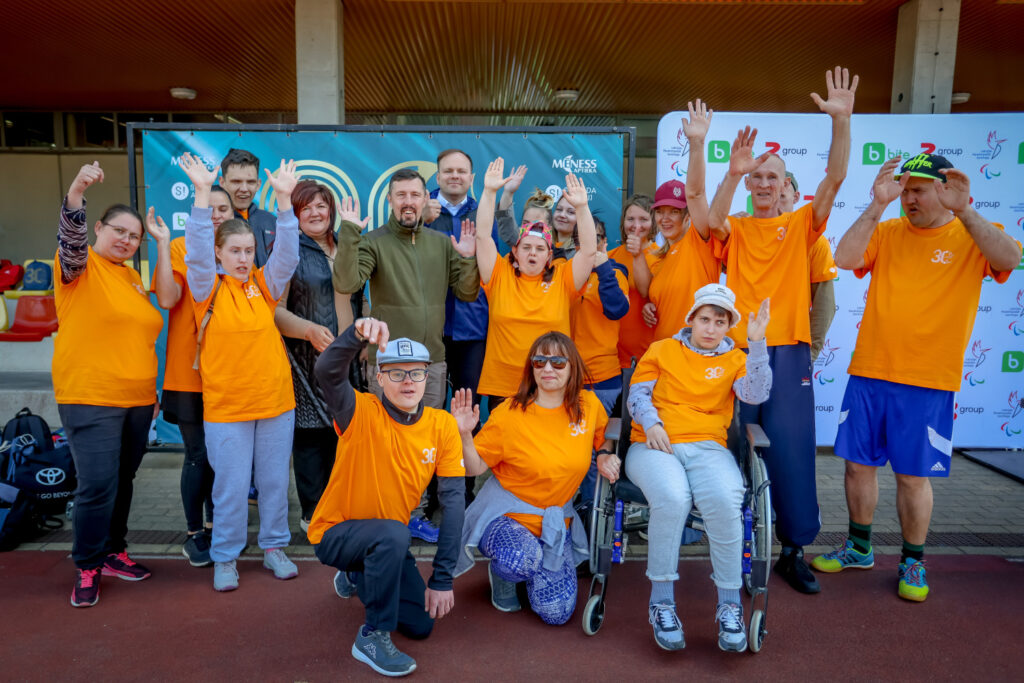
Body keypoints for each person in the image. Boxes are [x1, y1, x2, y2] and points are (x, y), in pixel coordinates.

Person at [812, 153, 1021, 601]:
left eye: (919, 190)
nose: (909, 198)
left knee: (911, 476)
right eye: (905, 190)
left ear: (945, 191)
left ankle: (913, 561)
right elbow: (845, 257)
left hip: (927, 381)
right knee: (857, 467)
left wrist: (966, 212)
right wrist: (877, 204)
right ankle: (859, 547)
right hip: (869, 371)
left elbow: (1010, 257)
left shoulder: (971, 234)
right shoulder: (887, 230)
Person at [707, 67, 858, 594]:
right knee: (735, 451)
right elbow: (711, 221)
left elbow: (834, 180)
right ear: (749, 183)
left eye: (773, 177)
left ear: (785, 184)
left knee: (791, 454)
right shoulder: (737, 227)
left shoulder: (802, 226)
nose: (765, 184)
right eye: (758, 177)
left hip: (788, 352)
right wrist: (733, 172)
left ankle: (793, 551)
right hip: (738, 350)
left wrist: (841, 122)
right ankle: (738, 547)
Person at [309, 318, 465, 678]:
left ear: (428, 377)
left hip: (384, 540)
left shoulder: (442, 426)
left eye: (416, 372)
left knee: (420, 624)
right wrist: (356, 334)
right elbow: (327, 370)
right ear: (379, 378)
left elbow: (454, 504)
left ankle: (357, 573)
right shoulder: (359, 411)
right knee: (395, 534)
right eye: (396, 373)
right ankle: (372, 636)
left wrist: (442, 578)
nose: (408, 381)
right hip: (335, 533)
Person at [332, 167, 479, 543]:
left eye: (415, 195)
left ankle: (416, 511)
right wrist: (348, 232)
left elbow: (466, 292)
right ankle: (394, 515)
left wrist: (466, 257)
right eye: (401, 195)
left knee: (425, 443)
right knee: (388, 444)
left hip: (432, 363)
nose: (408, 202)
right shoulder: (373, 241)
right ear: (390, 200)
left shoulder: (441, 243)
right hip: (389, 365)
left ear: (426, 199)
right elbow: (346, 282)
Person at [179, 152, 301, 592]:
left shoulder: (263, 286)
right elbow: (195, 251)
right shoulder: (206, 287)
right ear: (218, 252)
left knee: (273, 483)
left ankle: (274, 547)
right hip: (227, 407)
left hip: (275, 403)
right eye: (235, 251)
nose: (243, 258)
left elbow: (286, 257)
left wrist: (284, 202)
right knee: (230, 488)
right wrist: (200, 193)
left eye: (249, 251)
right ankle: (226, 557)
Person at [625, 284, 770, 651]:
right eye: (705, 319)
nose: (710, 328)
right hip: (654, 443)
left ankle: (730, 606)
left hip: (708, 447)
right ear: (691, 318)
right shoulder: (662, 349)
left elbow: (756, 394)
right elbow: (638, 395)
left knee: (725, 499)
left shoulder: (735, 359)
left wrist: (756, 346)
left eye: (720, 322)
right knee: (673, 498)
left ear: (728, 326)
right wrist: (652, 423)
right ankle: (661, 602)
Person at [55, 161, 174, 607]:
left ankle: (112, 551)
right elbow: (70, 240)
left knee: (123, 481)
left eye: (134, 236)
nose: (125, 240)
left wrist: (152, 396)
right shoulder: (79, 268)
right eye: (118, 231)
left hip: (138, 401)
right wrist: (77, 193)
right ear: (99, 229)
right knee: (97, 485)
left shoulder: (132, 278)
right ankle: (87, 564)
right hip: (91, 397)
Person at [453, 332, 614, 625]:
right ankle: (504, 576)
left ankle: (536, 567)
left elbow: (605, 435)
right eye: (539, 361)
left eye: (558, 362)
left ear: (572, 367)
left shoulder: (588, 406)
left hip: (555, 520)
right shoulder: (509, 413)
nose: (548, 368)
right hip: (508, 515)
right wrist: (464, 434)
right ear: (531, 367)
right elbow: (474, 468)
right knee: (521, 560)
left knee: (557, 614)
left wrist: (603, 454)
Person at [273, 179, 362, 531]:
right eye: (305, 208)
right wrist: (308, 330)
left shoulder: (348, 245)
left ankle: (340, 510)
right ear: (295, 215)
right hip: (305, 361)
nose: (314, 213)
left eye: (320, 206)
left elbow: (359, 298)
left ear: (331, 210)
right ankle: (313, 514)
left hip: (348, 362)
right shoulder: (287, 250)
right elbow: (275, 311)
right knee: (311, 441)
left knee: (344, 438)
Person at [473, 157, 598, 402]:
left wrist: (582, 208)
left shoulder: (563, 278)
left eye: (540, 249)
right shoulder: (498, 273)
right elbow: (483, 237)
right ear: (515, 251)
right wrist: (488, 192)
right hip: (503, 386)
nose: (532, 253)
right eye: (526, 247)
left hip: (550, 385)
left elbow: (588, 252)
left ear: (549, 256)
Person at [162, 184, 234, 567]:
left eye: (224, 209)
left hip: (229, 375)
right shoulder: (181, 247)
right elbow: (168, 297)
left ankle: (215, 525)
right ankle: (194, 533)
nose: (217, 215)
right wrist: (161, 247)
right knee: (198, 454)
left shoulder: (239, 252)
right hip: (188, 374)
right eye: (211, 208)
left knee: (222, 456)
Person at [633, 101, 720, 344]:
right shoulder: (658, 258)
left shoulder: (700, 241)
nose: (665, 218)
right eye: (660, 212)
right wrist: (650, 305)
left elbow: (696, 193)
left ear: (688, 216)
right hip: (664, 353)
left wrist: (697, 143)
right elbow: (660, 300)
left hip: (696, 352)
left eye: (674, 211)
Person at [780, 172, 838, 362]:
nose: (775, 203)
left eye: (782, 196)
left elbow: (824, 305)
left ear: (796, 197)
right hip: (746, 346)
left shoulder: (815, 242)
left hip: (790, 348)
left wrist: (809, 355)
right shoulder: (746, 233)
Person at [607, 194, 657, 369]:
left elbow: (646, 292)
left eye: (643, 219)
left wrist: (637, 254)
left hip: (646, 358)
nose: (636, 225)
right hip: (611, 359)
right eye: (630, 219)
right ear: (623, 222)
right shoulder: (611, 257)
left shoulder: (661, 256)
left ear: (654, 223)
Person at [219, 148, 275, 266]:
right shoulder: (213, 222)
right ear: (222, 182)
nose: (244, 189)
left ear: (258, 184)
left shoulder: (272, 221)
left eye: (250, 182)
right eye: (236, 182)